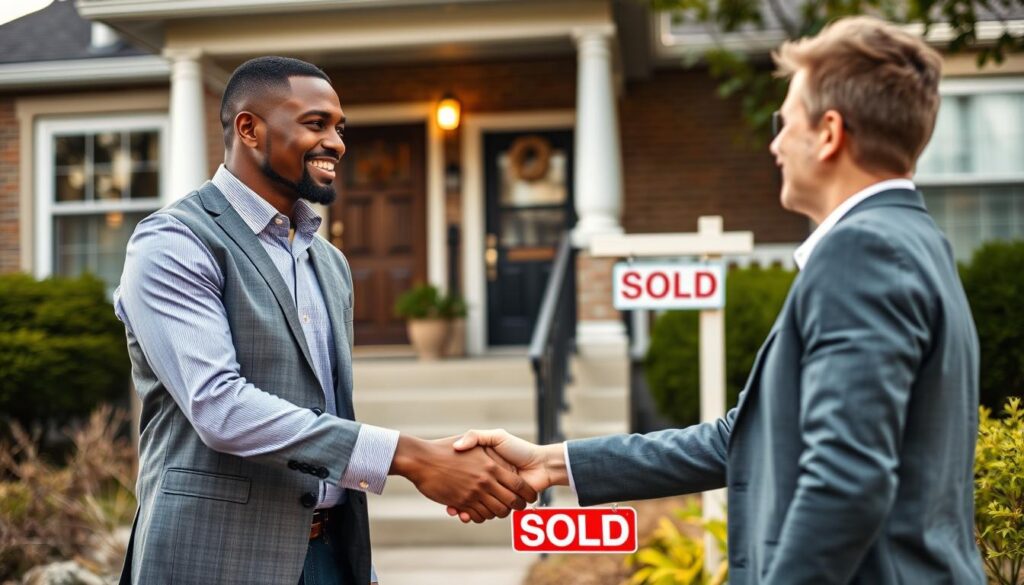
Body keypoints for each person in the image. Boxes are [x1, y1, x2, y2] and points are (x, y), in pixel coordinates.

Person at [452, 16, 986, 585]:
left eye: (786, 121)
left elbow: (846, 479)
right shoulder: (916, 240)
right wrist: (551, 462)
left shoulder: (864, 251)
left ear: (829, 133)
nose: (775, 142)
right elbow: (740, 438)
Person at [114, 56, 536, 585]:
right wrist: (413, 458)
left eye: (339, 128)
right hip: (214, 556)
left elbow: (322, 408)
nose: (336, 142)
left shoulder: (329, 262)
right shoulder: (175, 241)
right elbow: (220, 407)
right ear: (249, 128)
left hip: (332, 552)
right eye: (316, 124)